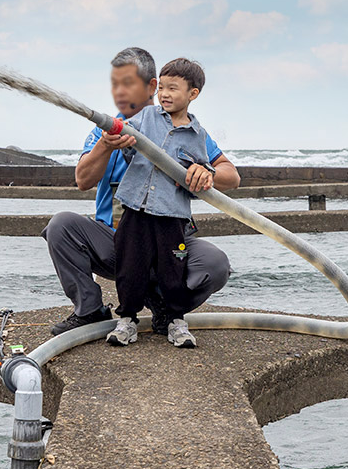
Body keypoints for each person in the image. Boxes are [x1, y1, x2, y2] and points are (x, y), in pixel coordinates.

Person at [40, 47, 238, 336]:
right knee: (61, 225)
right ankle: (89, 310)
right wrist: (106, 145)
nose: (121, 91)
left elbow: (232, 176)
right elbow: (82, 180)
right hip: (116, 241)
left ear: (152, 86)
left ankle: (164, 308)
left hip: (170, 239)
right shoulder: (108, 130)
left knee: (215, 264)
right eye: (116, 83)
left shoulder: (190, 133)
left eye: (130, 83)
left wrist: (207, 172)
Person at [106, 58, 217, 349]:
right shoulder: (146, 118)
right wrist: (119, 139)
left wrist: (204, 174)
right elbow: (125, 139)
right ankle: (127, 319)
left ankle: (175, 320)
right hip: (135, 208)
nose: (164, 94)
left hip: (172, 216)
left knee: (173, 269)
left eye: (173, 88)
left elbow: (203, 175)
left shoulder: (197, 135)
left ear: (193, 94)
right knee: (129, 265)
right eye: (162, 88)